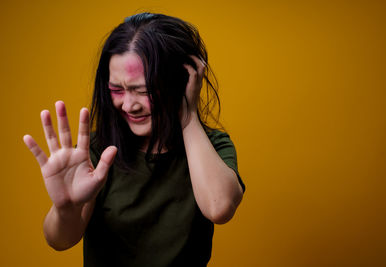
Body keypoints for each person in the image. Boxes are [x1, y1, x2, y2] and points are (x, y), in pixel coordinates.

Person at [23, 12, 245, 266]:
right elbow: (60, 240)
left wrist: (188, 115)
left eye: (144, 91)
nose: (129, 105)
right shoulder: (97, 152)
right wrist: (65, 207)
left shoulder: (213, 146)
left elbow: (219, 208)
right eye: (117, 90)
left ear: (182, 82)